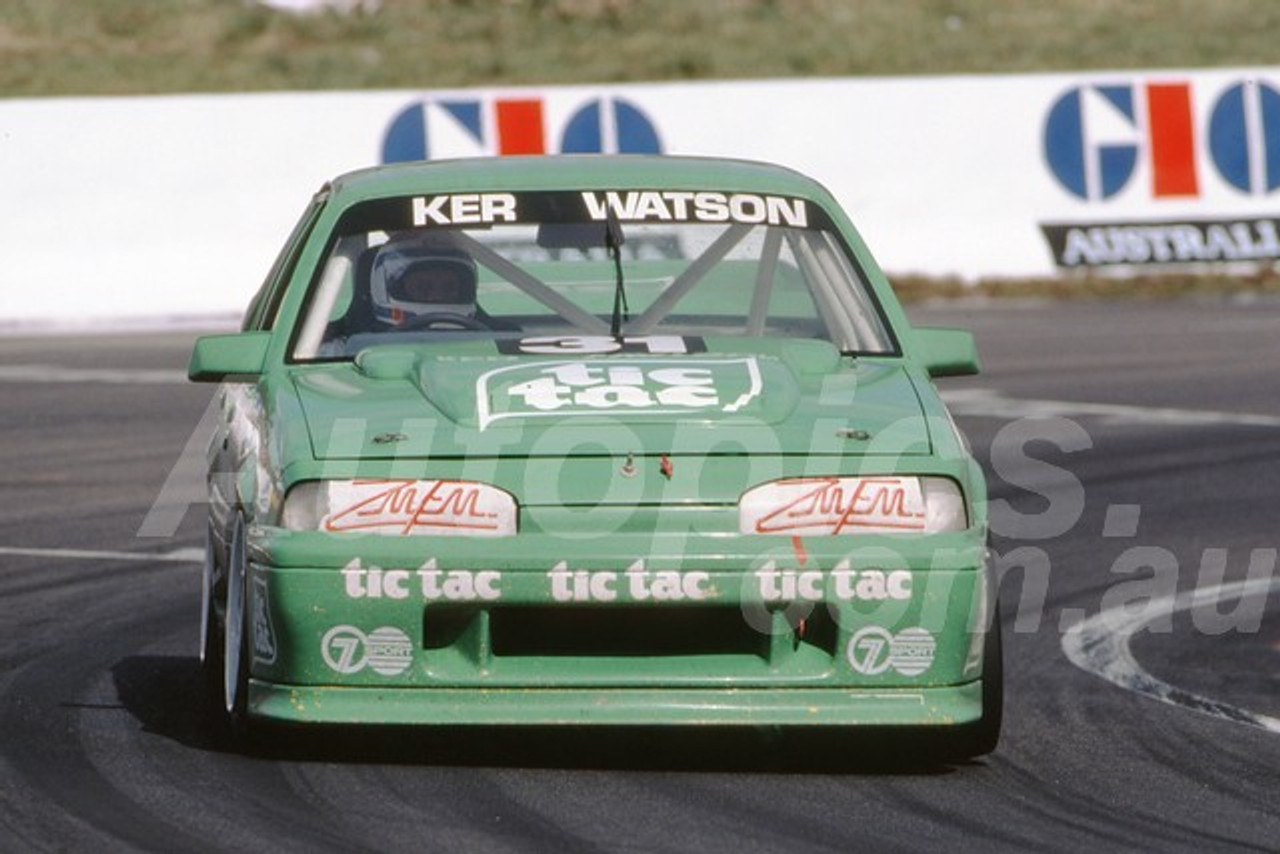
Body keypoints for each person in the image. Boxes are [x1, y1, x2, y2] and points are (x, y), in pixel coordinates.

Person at [369, 240, 482, 327]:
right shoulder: (364, 351)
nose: (437, 297)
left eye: (449, 288)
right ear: (383, 289)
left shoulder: (488, 342)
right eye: (422, 288)